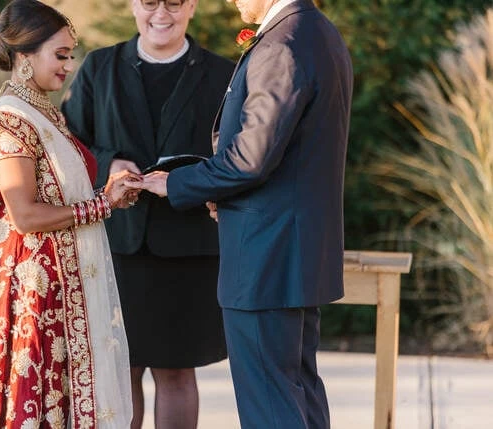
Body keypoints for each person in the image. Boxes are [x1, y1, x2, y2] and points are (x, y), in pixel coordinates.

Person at [132, 0, 354, 428]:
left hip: (265, 254)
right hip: (293, 251)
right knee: (298, 392)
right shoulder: (318, 32)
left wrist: (176, 183)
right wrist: (217, 191)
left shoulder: (281, 45)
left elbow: (250, 159)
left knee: (269, 403)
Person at [0, 1, 140, 428]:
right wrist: (102, 204)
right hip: (28, 287)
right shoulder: (10, 122)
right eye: (60, 55)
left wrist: (109, 196)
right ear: (24, 56)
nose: (69, 66)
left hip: (54, 282)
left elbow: (56, 196)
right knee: (30, 398)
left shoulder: (43, 112)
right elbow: (24, 214)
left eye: (70, 55)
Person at [61, 0, 234, 427]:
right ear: (133, 6)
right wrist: (108, 163)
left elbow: (237, 155)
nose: (161, 13)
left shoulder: (224, 74)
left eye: (174, 2)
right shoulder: (100, 67)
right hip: (116, 245)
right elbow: (68, 142)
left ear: (191, 6)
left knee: (177, 371)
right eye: (149, 2)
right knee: (122, 369)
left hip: (190, 245)